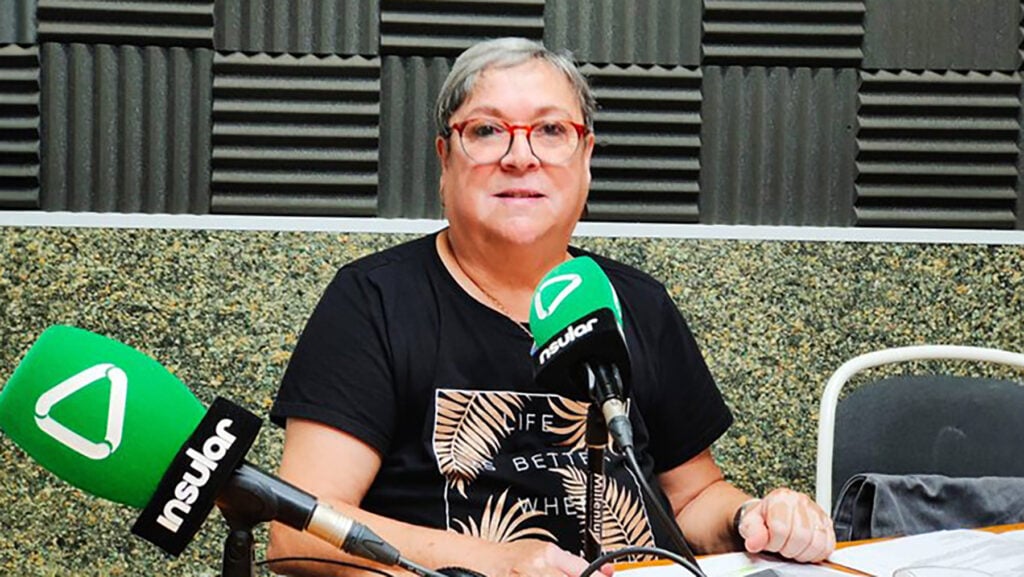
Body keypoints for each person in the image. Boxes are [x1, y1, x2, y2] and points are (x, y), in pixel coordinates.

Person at [267, 37, 835, 577]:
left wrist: (753, 517)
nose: (521, 156)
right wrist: (494, 563)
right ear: (445, 159)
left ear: (586, 156)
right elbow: (300, 531)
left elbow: (693, 498)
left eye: (551, 130)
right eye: (487, 130)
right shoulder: (374, 300)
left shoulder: (638, 302)